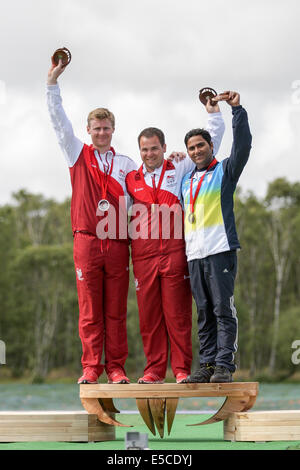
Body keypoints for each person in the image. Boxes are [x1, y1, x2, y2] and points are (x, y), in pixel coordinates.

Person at [47, 58, 138, 385]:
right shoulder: (76, 152)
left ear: (113, 130)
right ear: (88, 131)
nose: (101, 132)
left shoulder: (126, 163)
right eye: (96, 128)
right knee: (89, 312)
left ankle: (116, 369)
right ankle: (91, 368)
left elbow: (145, 192)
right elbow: (59, 122)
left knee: (115, 312)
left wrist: (175, 161)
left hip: (116, 241)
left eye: (106, 128)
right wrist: (52, 84)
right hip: (86, 239)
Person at [125, 100, 225, 384]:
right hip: (143, 256)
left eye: (154, 148)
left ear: (164, 148)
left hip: (174, 252)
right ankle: (154, 370)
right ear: (140, 151)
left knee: (178, 315)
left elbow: (207, 146)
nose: (149, 153)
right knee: (149, 318)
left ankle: (181, 369)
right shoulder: (132, 178)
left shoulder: (179, 167)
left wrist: (213, 113)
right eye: (144, 149)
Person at [181, 91, 252, 383]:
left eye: (201, 145)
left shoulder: (224, 170)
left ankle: (224, 365)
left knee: (223, 308)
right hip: (194, 255)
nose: (196, 151)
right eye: (191, 148)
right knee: (204, 311)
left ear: (211, 145)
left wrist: (237, 111)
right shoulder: (187, 180)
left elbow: (243, 146)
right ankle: (207, 364)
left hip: (220, 249)